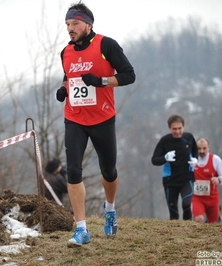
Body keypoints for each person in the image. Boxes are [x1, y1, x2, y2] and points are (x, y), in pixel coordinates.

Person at [56, 1, 136, 247]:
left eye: (75, 23)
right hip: (75, 119)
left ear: (88, 24)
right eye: (68, 24)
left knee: (108, 171)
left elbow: (129, 75)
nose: (70, 28)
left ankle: (109, 209)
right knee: (73, 171)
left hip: (102, 117)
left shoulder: (106, 45)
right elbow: (68, 76)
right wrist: (62, 89)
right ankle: (81, 229)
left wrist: (101, 81)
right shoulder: (65, 52)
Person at [151, 114, 198, 221]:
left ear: (183, 127)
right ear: (169, 128)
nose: (177, 131)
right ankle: (174, 234)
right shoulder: (164, 141)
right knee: (173, 212)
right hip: (170, 181)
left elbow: (195, 151)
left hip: (187, 179)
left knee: (186, 204)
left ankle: (188, 229)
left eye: (179, 128)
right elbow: (154, 160)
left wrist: (196, 160)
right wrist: (165, 158)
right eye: (174, 129)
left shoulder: (189, 138)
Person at [192, 138, 222, 223]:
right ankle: (197, 236)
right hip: (197, 198)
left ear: (209, 148)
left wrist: (218, 179)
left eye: (204, 148)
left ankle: (207, 236)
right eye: (199, 148)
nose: (201, 151)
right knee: (199, 219)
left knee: (213, 225)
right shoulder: (192, 160)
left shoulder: (215, 159)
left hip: (213, 198)